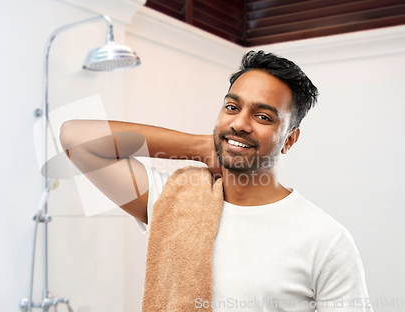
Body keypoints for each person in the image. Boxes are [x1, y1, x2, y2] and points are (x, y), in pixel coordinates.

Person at [59, 51, 372, 311]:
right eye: (232, 108)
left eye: (263, 116)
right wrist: (199, 148)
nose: (239, 123)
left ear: (290, 138)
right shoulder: (175, 202)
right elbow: (75, 137)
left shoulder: (326, 241)